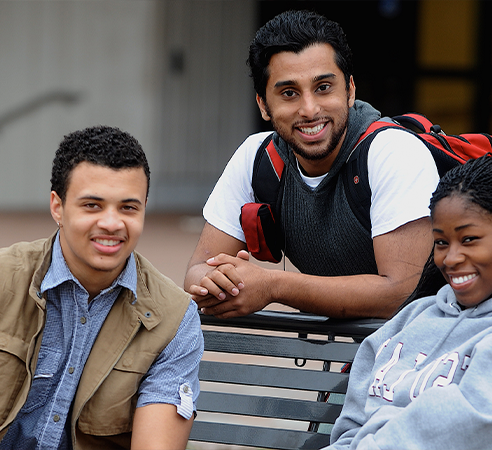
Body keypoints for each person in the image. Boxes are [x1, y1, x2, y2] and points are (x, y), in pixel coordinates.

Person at [0, 126, 204, 450]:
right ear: (57, 207)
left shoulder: (173, 321)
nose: (112, 223)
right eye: (92, 205)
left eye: (128, 207)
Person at [185, 10, 440, 319]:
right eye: (289, 93)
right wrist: (216, 281)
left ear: (350, 90)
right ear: (263, 105)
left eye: (323, 87)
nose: (309, 109)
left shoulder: (392, 152)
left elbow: (402, 293)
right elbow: (197, 271)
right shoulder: (258, 157)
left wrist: (274, 286)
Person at [325, 156, 492, 450]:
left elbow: (462, 428)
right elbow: (349, 429)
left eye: (469, 239)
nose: (451, 258)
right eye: (442, 242)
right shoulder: (414, 317)